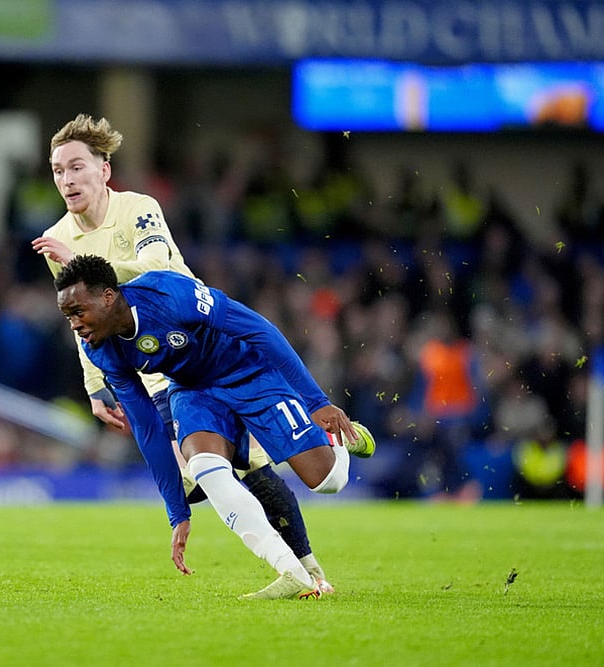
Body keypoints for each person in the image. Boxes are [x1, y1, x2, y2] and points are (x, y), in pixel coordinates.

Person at [32, 113, 337, 593]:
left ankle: (304, 566)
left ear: (104, 170)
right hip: (145, 365)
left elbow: (155, 267)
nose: (66, 179)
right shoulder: (59, 240)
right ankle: (303, 569)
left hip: (193, 338)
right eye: (57, 170)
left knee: (225, 468)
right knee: (214, 469)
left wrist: (86, 266)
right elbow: (80, 318)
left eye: (76, 167)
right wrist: (95, 385)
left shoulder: (138, 209)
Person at [54, 255, 375, 599]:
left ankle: (338, 435)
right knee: (205, 467)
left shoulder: (169, 294)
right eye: (68, 316)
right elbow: (147, 429)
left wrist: (316, 401)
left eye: (78, 312)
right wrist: (177, 511)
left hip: (248, 371)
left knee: (328, 481)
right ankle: (291, 571)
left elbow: (259, 329)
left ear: (107, 297)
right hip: (192, 389)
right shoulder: (101, 350)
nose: (74, 325)